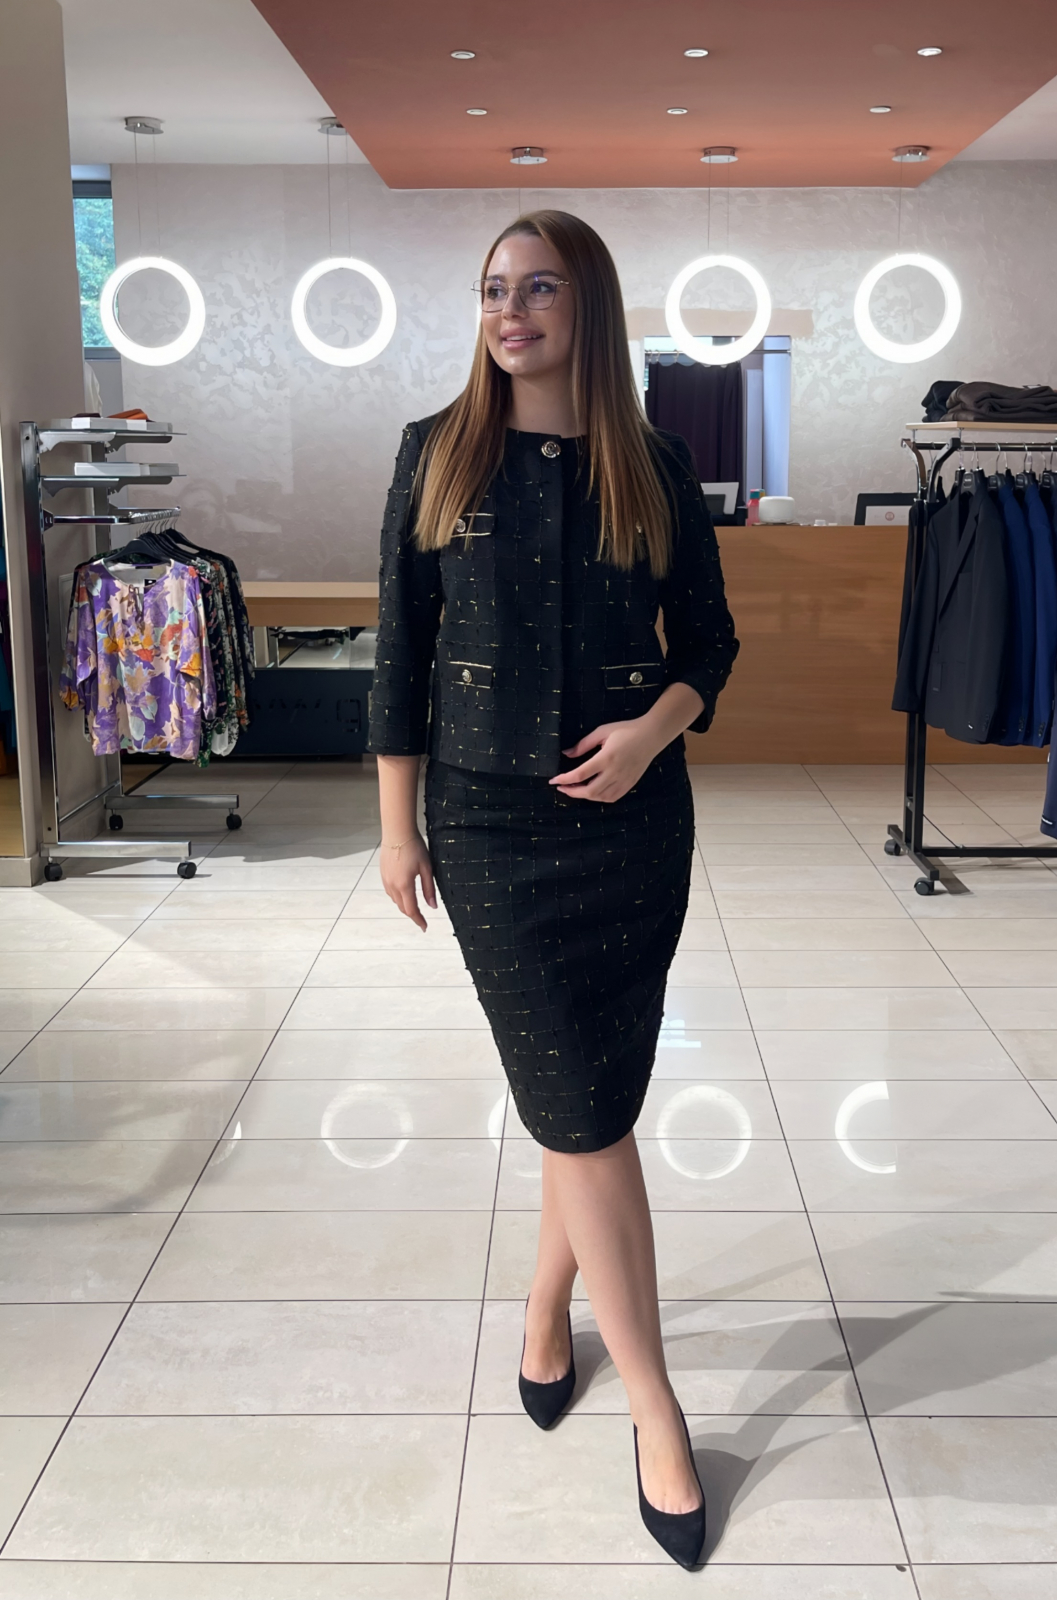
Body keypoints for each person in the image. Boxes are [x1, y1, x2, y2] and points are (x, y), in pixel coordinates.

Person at [368, 209, 738, 1570]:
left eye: (536, 288)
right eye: (491, 289)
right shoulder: (436, 451)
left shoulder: (652, 460)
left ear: (588, 305)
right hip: (486, 827)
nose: (508, 311)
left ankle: (543, 1310)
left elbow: (710, 642)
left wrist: (651, 732)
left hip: (633, 828)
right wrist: (395, 832)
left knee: (582, 1094)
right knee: (583, 1110)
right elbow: (400, 650)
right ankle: (655, 1410)